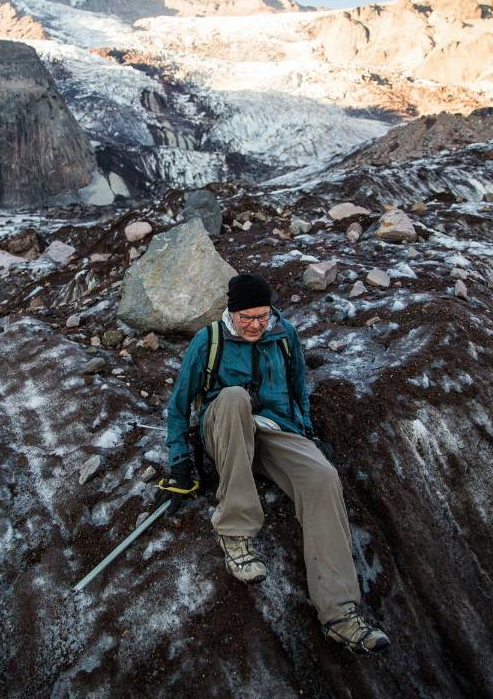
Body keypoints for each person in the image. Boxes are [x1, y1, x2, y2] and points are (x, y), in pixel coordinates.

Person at [161, 272, 391, 654]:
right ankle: (235, 531)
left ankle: (339, 614)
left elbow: (299, 389)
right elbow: (177, 407)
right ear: (230, 313)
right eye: (246, 318)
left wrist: (306, 433)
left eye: (261, 317)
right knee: (234, 397)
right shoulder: (209, 341)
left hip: (273, 430)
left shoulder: (283, 336)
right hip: (225, 430)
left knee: (321, 477)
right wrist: (179, 461)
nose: (254, 325)